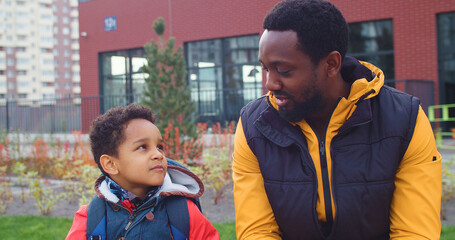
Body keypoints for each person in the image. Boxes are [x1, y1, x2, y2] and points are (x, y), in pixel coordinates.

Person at [232, 0, 442, 239]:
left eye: (284, 71)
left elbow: (414, 233)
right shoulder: (253, 126)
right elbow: (257, 232)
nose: (269, 84)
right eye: (265, 68)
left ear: (331, 64)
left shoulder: (405, 119)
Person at [66, 104, 219, 240]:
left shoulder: (183, 213)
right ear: (111, 164)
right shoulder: (90, 218)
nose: (158, 154)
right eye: (142, 147)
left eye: (159, 147)